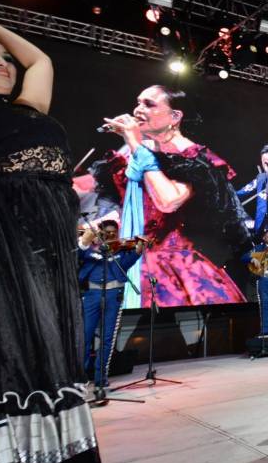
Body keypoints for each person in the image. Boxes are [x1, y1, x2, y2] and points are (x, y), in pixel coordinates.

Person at [0, 16, 101, 463]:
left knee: (41, 356)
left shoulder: (29, 108)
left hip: (45, 260)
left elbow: (40, 60)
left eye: (6, 56)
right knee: (0, 356)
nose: (5, 62)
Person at [77, 85, 252, 308]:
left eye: (149, 104)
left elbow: (167, 201)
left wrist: (135, 143)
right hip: (126, 257)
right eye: (138, 102)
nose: (138, 109)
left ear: (175, 116)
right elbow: (113, 193)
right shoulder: (136, 148)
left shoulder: (192, 157)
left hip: (171, 265)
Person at [77, 220, 144, 388]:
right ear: (99, 233)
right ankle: (81, 376)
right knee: (85, 336)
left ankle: (101, 377)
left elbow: (135, 255)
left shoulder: (121, 252)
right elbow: (79, 253)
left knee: (107, 338)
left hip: (113, 296)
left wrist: (140, 246)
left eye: (114, 232)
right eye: (107, 232)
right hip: (92, 295)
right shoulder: (89, 250)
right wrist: (86, 240)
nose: (111, 236)